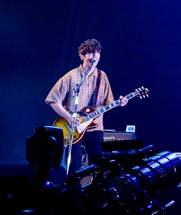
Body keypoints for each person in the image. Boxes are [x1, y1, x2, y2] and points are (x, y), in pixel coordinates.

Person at [45, 38, 127, 182]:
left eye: (97, 53)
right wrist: (69, 118)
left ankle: (98, 198)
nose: (94, 56)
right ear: (82, 56)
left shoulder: (102, 77)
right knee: (74, 166)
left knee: (99, 165)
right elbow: (52, 100)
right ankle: (73, 195)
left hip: (95, 128)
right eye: (90, 53)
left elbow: (109, 102)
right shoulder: (72, 76)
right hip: (73, 129)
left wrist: (120, 102)